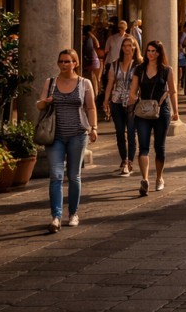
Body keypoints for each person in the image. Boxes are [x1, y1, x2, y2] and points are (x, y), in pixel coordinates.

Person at [37, 49, 98, 232]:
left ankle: (73, 213)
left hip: (78, 135)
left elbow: (91, 107)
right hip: (55, 136)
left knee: (73, 176)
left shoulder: (84, 83)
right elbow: (39, 105)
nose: (64, 65)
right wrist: (45, 102)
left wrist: (93, 128)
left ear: (75, 63)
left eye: (68, 61)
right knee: (56, 175)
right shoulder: (50, 83)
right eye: (61, 61)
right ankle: (56, 217)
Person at [128, 40, 178, 196]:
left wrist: (176, 111)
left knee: (159, 147)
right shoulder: (139, 69)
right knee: (143, 146)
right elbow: (133, 91)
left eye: (154, 51)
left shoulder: (166, 70)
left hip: (161, 111)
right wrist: (132, 100)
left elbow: (173, 91)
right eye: (149, 50)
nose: (151, 53)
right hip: (143, 111)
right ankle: (145, 180)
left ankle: (159, 178)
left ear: (159, 53)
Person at [102, 36, 142, 176]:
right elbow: (110, 83)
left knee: (131, 132)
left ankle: (129, 161)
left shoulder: (139, 64)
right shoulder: (115, 64)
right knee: (119, 132)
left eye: (129, 45)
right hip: (117, 101)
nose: (127, 48)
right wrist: (106, 101)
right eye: (124, 45)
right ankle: (123, 159)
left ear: (134, 47)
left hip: (132, 102)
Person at [81, 25, 102, 99]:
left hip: (91, 61)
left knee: (92, 79)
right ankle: (94, 96)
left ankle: (94, 96)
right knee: (93, 79)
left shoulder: (88, 38)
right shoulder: (88, 38)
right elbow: (96, 45)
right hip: (91, 61)